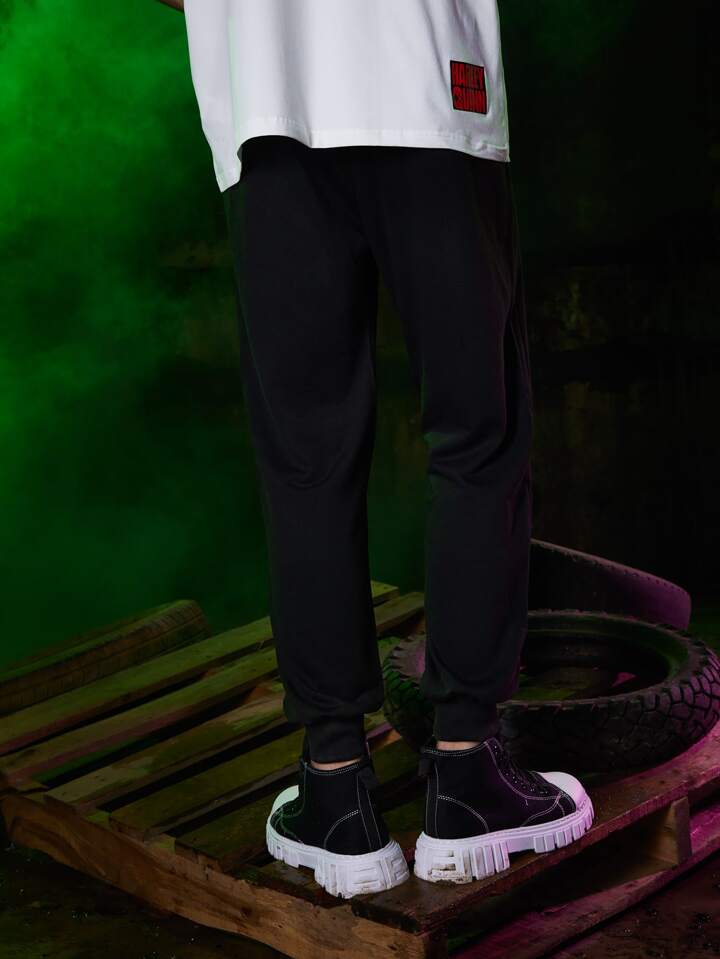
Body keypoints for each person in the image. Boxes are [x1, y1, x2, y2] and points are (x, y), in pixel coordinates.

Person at [180, 0, 595, 899]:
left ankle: (336, 794)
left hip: (268, 108)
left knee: (306, 461)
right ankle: (467, 779)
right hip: (426, 92)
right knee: (477, 436)